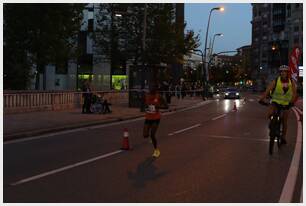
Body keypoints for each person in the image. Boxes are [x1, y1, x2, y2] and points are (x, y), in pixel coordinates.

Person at [259, 65, 297, 144]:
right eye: (281, 72)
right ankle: (272, 125)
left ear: (287, 73)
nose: (283, 73)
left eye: (285, 72)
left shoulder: (291, 82)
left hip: (286, 103)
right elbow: (268, 90)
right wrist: (262, 99)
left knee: (284, 121)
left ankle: (283, 137)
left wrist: (291, 103)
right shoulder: (276, 81)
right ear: (280, 73)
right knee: (270, 113)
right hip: (275, 102)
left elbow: (294, 94)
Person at [143, 86, 166, 158]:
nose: (151, 90)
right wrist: (146, 107)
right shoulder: (146, 96)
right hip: (148, 117)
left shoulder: (159, 96)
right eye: (150, 89)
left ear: (155, 90)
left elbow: (166, 106)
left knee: (152, 134)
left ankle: (156, 150)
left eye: (152, 89)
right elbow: (145, 104)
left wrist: (158, 107)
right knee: (145, 135)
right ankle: (152, 140)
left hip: (156, 118)